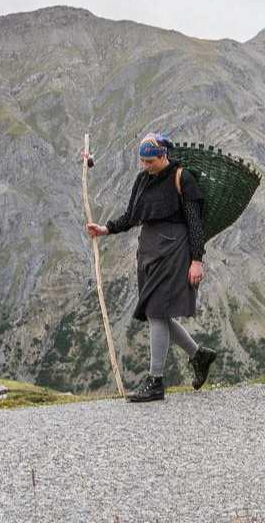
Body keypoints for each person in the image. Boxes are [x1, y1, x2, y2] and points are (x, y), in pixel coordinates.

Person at [86, 134, 217, 402]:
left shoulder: (183, 178)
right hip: (148, 251)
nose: (145, 165)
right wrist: (105, 229)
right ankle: (199, 355)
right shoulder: (142, 180)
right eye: (142, 161)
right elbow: (132, 216)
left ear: (163, 156)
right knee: (159, 313)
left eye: (149, 161)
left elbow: (195, 224)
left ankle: (155, 381)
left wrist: (197, 260)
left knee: (157, 312)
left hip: (174, 251)